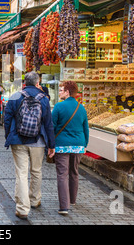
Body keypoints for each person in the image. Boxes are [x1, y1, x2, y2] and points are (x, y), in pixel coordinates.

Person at [3, 71, 55, 220]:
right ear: (38, 83)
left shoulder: (15, 97)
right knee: (36, 171)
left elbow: (7, 119)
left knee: (21, 173)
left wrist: (9, 136)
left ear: (24, 83)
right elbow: (48, 124)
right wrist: (51, 144)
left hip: (18, 141)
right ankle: (34, 200)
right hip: (38, 142)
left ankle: (22, 208)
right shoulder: (44, 99)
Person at [52, 81, 89, 216]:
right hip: (78, 145)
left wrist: (51, 145)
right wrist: (85, 145)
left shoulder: (59, 107)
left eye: (61, 90)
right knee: (74, 172)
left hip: (62, 145)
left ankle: (64, 206)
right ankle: (72, 200)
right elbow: (86, 128)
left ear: (67, 92)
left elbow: (52, 126)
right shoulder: (81, 108)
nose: (60, 92)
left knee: (62, 174)